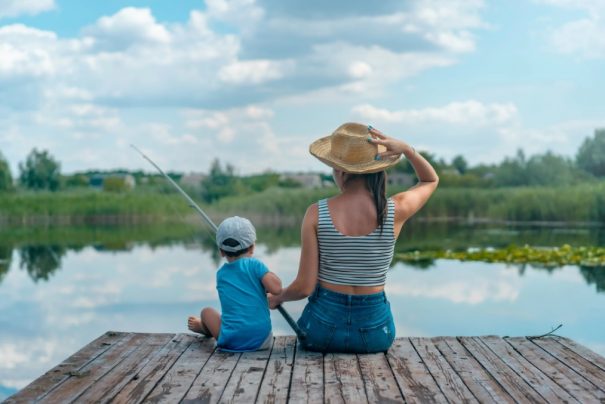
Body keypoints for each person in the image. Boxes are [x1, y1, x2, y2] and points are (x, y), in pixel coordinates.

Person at [268, 122, 439, 353]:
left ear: (341, 171)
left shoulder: (316, 213)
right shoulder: (396, 209)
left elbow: (304, 287)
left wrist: (279, 297)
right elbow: (430, 180)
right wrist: (408, 150)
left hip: (320, 332)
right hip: (377, 334)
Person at [188, 216, 283, 351]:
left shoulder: (221, 274)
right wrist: (265, 276)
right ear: (252, 247)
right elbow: (277, 288)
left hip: (231, 341)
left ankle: (204, 327)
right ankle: (205, 327)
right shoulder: (256, 265)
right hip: (262, 341)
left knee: (206, 312)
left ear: (221, 251)